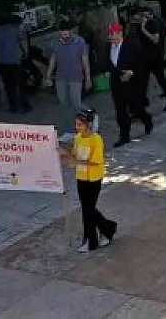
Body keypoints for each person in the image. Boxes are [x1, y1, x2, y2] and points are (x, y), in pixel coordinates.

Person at [67, 108, 117, 252]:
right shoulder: (77, 138)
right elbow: (74, 155)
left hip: (94, 178)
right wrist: (65, 154)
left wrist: (75, 161)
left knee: (88, 210)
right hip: (81, 177)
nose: (77, 128)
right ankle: (107, 228)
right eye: (76, 125)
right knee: (87, 209)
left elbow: (95, 161)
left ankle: (91, 241)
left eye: (79, 125)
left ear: (88, 125)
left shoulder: (96, 139)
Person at [107, 22, 151, 148]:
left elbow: (141, 63)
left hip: (131, 82)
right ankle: (124, 136)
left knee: (136, 108)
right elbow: (108, 62)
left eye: (113, 34)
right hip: (116, 83)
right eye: (109, 34)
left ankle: (146, 120)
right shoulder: (108, 47)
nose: (111, 37)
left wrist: (132, 72)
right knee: (120, 110)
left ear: (120, 33)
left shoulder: (131, 45)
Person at [44, 20, 92, 120]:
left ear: (71, 31)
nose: (65, 35)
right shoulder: (55, 43)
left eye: (66, 32)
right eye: (62, 33)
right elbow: (53, 61)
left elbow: (85, 61)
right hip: (60, 78)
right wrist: (48, 77)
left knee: (76, 104)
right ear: (59, 32)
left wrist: (88, 79)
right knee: (64, 105)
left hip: (76, 77)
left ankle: (91, 115)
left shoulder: (80, 42)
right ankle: (69, 130)